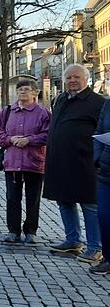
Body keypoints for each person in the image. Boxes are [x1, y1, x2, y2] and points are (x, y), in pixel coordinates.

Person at [44, 64, 105, 263]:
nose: (72, 80)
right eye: (69, 77)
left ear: (86, 79)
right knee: (64, 201)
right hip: (60, 160)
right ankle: (72, 240)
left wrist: (97, 157)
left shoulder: (97, 102)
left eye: (76, 77)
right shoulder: (61, 98)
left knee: (90, 205)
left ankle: (95, 247)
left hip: (85, 162)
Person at [0, 80, 50, 246]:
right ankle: (13, 230)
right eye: (20, 89)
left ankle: (31, 231)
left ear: (35, 93)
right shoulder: (8, 111)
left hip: (34, 162)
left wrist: (29, 140)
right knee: (12, 198)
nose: (23, 92)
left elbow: (48, 134)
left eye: (27, 89)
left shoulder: (43, 113)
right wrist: (10, 139)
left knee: (33, 199)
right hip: (12, 162)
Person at [90, 98, 110, 274]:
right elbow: (99, 130)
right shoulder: (108, 104)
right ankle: (108, 258)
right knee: (104, 216)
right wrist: (97, 157)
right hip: (106, 170)